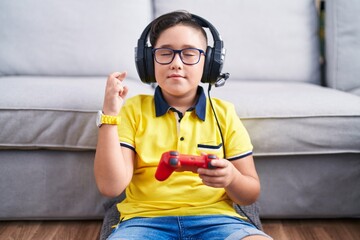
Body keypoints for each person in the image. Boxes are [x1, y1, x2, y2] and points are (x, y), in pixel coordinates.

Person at [94, 10, 272, 240]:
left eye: (189, 54)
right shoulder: (133, 109)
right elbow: (111, 187)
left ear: (209, 64)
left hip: (218, 220)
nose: (176, 63)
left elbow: (250, 193)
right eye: (165, 53)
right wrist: (109, 115)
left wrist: (232, 179)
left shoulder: (224, 113)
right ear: (149, 62)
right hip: (144, 222)